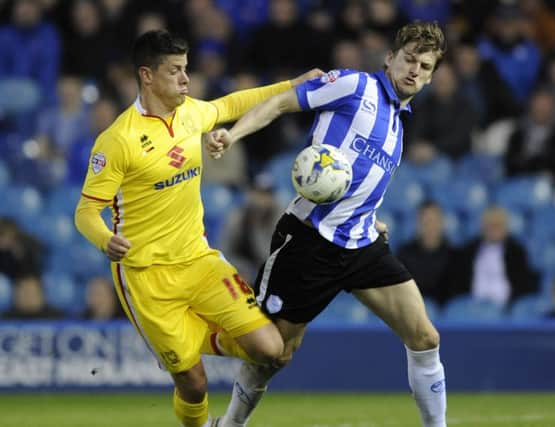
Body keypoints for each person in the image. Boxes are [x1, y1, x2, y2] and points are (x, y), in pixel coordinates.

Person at [73, 29, 321, 427]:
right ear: (147, 76)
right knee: (194, 384)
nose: (186, 79)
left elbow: (233, 103)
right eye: (175, 71)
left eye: (186, 69)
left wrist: (292, 86)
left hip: (199, 262)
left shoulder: (190, 112)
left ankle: (200, 339)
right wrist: (105, 240)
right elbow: (85, 212)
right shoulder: (116, 140)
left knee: (271, 348)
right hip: (146, 277)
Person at [206, 21, 447, 427]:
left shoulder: (398, 124)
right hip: (309, 242)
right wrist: (234, 134)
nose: (414, 71)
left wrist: (370, 219)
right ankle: (229, 424)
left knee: (425, 338)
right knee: (275, 353)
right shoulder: (355, 87)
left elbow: (363, 181)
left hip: (361, 244)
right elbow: (283, 102)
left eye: (424, 67)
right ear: (390, 58)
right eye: (409, 60)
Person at [449, 206, 538, 307]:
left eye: (498, 225)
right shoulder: (467, 252)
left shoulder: (517, 253)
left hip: (506, 310)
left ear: (506, 227)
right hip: (472, 309)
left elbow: (524, 285)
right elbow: (457, 284)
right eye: (490, 225)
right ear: (482, 227)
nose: (494, 229)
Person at [396, 201, 453, 305]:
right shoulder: (404, 255)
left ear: (442, 223)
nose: (430, 227)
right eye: (425, 222)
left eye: (434, 221)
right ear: (418, 224)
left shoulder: (454, 256)